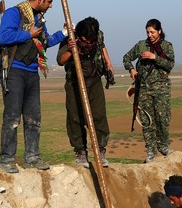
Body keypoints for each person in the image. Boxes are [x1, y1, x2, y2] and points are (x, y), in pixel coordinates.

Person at [0, 0, 66, 173]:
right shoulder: (14, 12)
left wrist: (65, 33)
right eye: (50, 2)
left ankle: (32, 157)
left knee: (33, 117)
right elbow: (4, 37)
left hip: (32, 72)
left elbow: (45, 41)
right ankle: (7, 159)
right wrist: (29, 33)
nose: (51, 6)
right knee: (12, 117)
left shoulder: (39, 19)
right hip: (14, 71)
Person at [57, 16, 114, 168]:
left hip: (94, 81)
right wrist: (71, 49)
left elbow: (101, 46)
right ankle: (81, 152)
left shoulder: (98, 35)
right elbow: (60, 60)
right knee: (75, 118)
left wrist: (108, 63)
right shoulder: (70, 38)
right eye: (85, 40)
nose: (88, 43)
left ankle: (100, 151)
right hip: (75, 83)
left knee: (99, 116)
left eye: (91, 40)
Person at [123, 18, 175, 163]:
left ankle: (163, 145)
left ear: (159, 31)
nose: (150, 34)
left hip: (161, 89)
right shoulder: (141, 45)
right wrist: (131, 69)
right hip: (143, 88)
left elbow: (170, 64)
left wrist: (154, 57)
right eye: (148, 32)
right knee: (147, 121)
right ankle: (151, 151)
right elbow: (126, 58)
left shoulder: (166, 46)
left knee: (163, 119)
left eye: (152, 32)